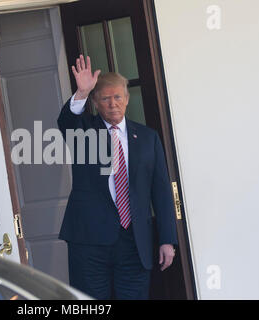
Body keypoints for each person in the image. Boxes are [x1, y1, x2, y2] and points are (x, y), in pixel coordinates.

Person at [57, 55, 178, 300]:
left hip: (134, 241)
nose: (112, 104)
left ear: (126, 99)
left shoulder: (147, 138)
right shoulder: (84, 132)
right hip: (90, 241)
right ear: (95, 102)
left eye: (117, 97)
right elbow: (66, 122)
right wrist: (81, 92)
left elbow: (161, 191)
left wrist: (167, 239)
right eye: (105, 98)